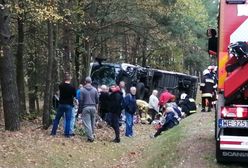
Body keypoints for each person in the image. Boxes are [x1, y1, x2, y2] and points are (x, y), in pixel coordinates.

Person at [51, 73, 76, 137]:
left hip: (61, 104)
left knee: (57, 119)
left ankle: (53, 132)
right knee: (68, 120)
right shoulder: (72, 87)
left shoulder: (61, 86)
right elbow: (75, 95)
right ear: (70, 79)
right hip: (69, 105)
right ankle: (67, 134)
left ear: (64, 79)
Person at [78, 76, 99, 142]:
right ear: (91, 82)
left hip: (85, 107)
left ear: (85, 82)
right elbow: (97, 100)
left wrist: (80, 110)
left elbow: (80, 100)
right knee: (92, 123)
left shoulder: (82, 90)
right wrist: (97, 109)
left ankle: (90, 137)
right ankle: (92, 134)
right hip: (93, 107)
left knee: (87, 123)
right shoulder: (95, 90)